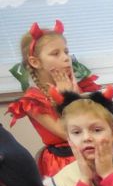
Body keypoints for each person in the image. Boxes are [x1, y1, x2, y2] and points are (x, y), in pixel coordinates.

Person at [6, 20, 101, 177]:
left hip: (94, 153)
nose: (66, 58)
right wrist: (67, 99)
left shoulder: (80, 87)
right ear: (35, 62)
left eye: (66, 52)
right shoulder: (33, 101)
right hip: (64, 163)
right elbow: (69, 133)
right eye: (55, 53)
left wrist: (75, 91)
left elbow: (100, 122)